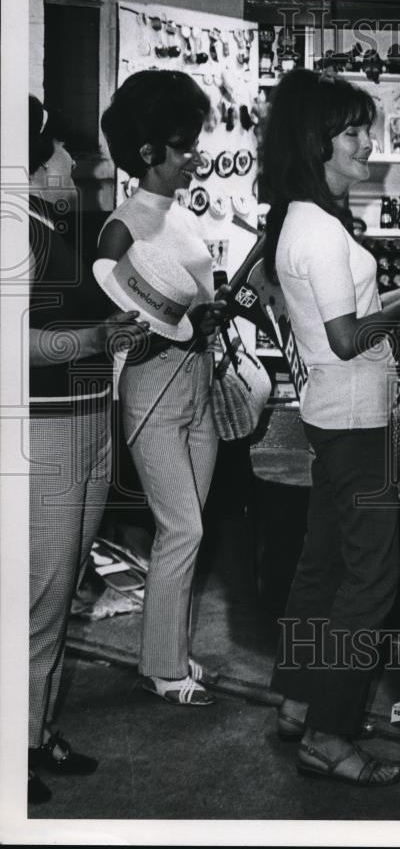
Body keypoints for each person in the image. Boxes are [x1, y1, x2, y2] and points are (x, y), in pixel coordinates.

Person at [260, 69, 400, 787]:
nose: (365, 143)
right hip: (354, 426)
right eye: (352, 131)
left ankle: (297, 703)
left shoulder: (300, 219)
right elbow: (347, 338)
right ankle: (330, 732)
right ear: (317, 141)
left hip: (334, 418)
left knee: (322, 570)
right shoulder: (317, 230)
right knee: (369, 581)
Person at [27, 96, 149, 804]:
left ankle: (35, 733)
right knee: (39, 597)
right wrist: (94, 341)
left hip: (84, 420)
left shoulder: (50, 222)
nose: (74, 162)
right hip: (46, 429)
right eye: (59, 150)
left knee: (61, 590)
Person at [96, 71, 229, 707]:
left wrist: (213, 307)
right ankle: (160, 669)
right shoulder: (122, 229)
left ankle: (168, 654)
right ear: (148, 152)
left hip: (199, 384)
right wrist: (182, 325)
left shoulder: (180, 220)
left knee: (190, 527)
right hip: (152, 390)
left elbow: (192, 302)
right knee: (183, 529)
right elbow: (127, 330)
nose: (192, 159)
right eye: (182, 148)